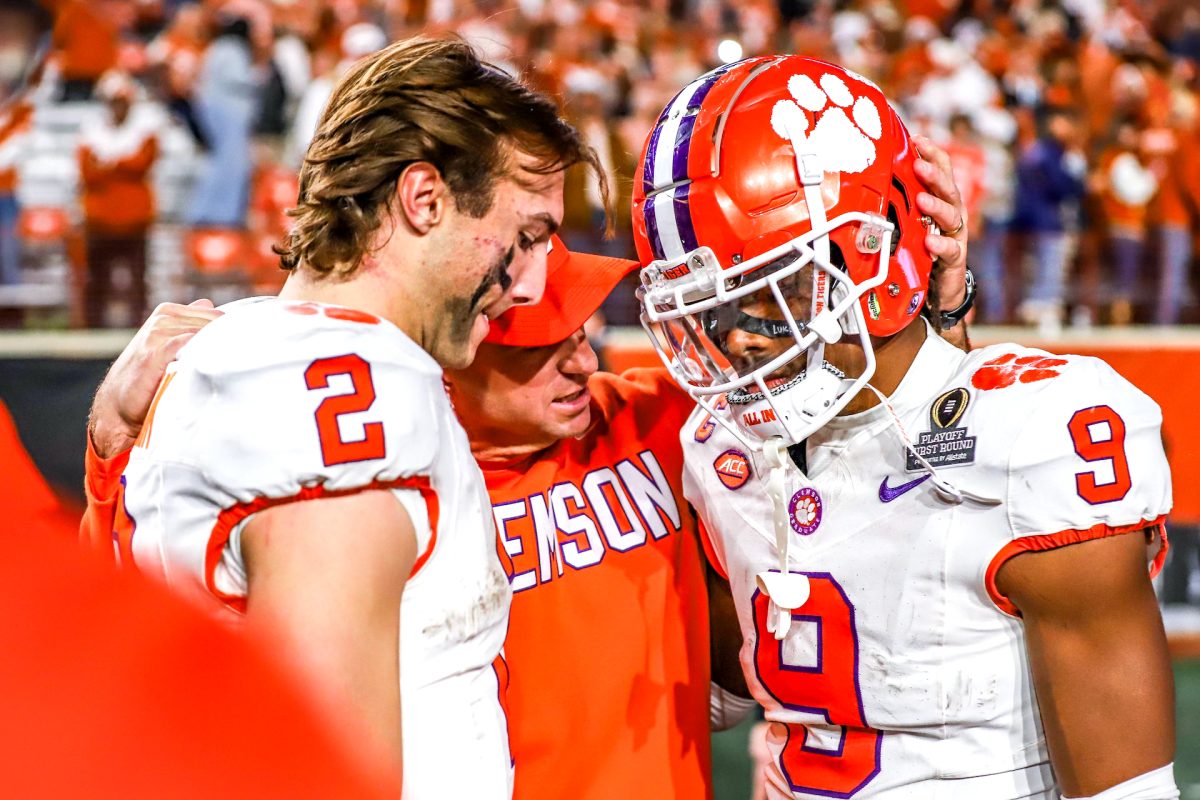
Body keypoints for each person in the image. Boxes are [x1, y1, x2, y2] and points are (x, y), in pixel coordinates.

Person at [634, 55, 1175, 800]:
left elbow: (1127, 792)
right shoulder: (717, 448)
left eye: (776, 288)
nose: (740, 341)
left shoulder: (1033, 435)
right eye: (709, 310)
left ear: (874, 249)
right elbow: (710, 686)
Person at [83, 36, 603, 794]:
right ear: (424, 200)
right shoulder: (348, 392)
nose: (526, 286)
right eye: (523, 238)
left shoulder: (239, 348)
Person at [77, 72, 160, 328]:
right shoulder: (91, 131)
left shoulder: (144, 130)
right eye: (114, 101)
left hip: (134, 219)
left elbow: (142, 163)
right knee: (97, 279)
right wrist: (122, 164)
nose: (119, 107)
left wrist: (110, 163)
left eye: (123, 101)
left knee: (137, 279)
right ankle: (93, 328)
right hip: (100, 220)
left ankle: (138, 326)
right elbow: (88, 172)